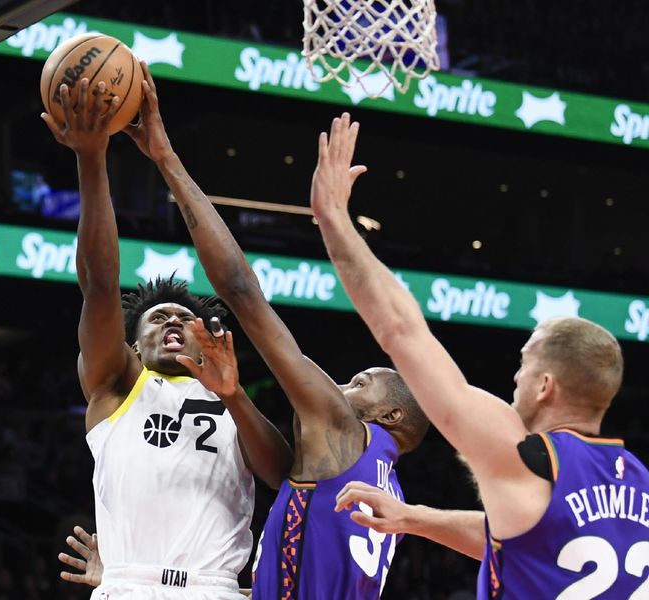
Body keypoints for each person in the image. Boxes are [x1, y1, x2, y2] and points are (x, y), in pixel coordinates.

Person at [119, 63, 430, 599]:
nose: (341, 385)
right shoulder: (385, 485)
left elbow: (241, 290)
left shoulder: (340, 431)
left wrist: (165, 158)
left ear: (390, 415)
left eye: (361, 382)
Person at [314, 113, 649, 598]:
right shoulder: (638, 481)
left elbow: (401, 331)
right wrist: (414, 518)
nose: (514, 380)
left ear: (545, 385)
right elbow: (527, 536)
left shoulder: (529, 457)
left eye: (524, 363)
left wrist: (334, 221)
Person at [41, 79, 292, 599]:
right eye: (155, 320)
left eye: (183, 317)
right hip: (128, 585)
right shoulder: (116, 385)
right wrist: (93, 160)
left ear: (206, 344)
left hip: (217, 588)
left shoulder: (233, 402)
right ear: (132, 347)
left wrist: (233, 395)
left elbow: (280, 474)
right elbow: (100, 283)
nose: (171, 321)